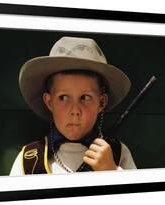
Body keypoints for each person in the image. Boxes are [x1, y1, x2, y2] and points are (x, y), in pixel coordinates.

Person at [10, 36, 136, 176]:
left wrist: (112, 172)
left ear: (101, 102)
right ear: (49, 102)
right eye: (63, 98)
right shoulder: (29, 160)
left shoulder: (118, 154)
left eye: (85, 97)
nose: (75, 111)